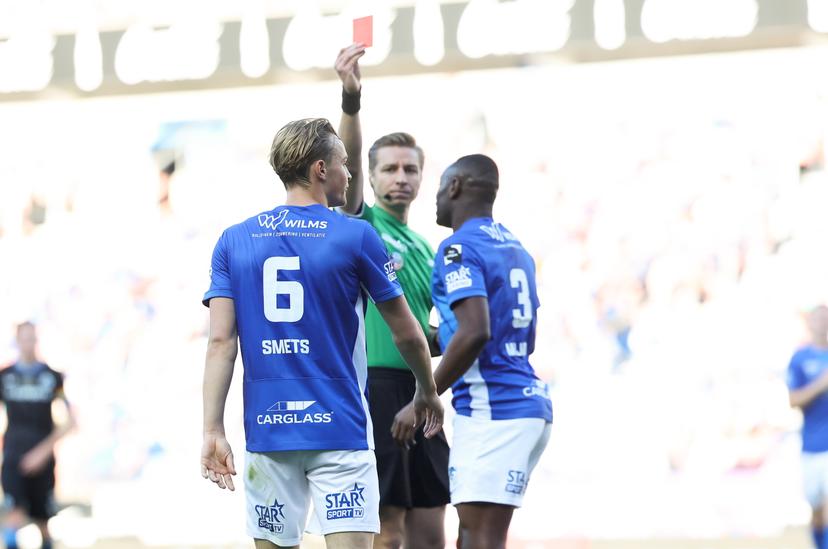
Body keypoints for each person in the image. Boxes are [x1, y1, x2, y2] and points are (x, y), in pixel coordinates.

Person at [200, 118, 444, 549]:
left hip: (269, 429)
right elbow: (407, 333)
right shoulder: (356, 235)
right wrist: (426, 389)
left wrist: (212, 428)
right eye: (344, 165)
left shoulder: (233, 240)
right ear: (320, 169)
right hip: (340, 429)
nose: (349, 175)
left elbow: (222, 342)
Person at [393, 154, 553, 549]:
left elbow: (476, 331)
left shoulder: (458, 249)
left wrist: (424, 398)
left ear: (456, 187)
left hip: (495, 409)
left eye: (439, 186)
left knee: (480, 536)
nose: (434, 199)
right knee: (471, 535)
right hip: (519, 403)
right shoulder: (515, 248)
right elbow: (484, 330)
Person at [334, 43, 451, 549]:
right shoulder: (364, 225)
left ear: (422, 177)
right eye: (390, 169)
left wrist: (460, 335)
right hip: (377, 387)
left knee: (430, 528)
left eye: (410, 169)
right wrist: (351, 98)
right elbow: (350, 164)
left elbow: (430, 331)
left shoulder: (426, 246)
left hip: (424, 389)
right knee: (389, 528)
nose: (400, 177)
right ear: (372, 177)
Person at [0, 322, 75, 549]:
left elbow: (70, 421)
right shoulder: (5, 377)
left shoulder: (52, 377)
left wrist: (42, 452)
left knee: (42, 520)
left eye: (32, 338)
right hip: (13, 456)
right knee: (13, 516)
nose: (28, 343)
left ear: (36, 340)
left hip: (43, 459)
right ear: (18, 341)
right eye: (24, 338)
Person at [788, 305, 828, 549]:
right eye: (819, 319)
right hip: (810, 447)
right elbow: (793, 401)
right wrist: (820, 386)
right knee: (816, 514)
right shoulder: (800, 358)